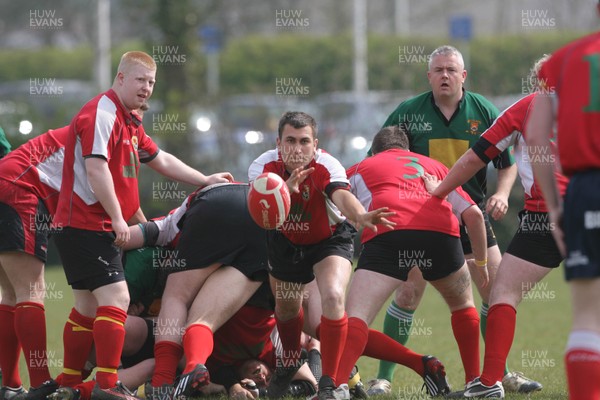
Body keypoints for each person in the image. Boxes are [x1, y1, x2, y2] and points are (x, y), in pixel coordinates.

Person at [51, 51, 232, 400]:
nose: (146, 88)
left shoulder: (130, 120)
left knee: (87, 308)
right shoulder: (102, 112)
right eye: (139, 80)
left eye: (151, 82)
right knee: (117, 298)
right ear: (120, 78)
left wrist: (203, 180)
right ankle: (107, 386)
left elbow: (160, 158)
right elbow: (96, 168)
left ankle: (70, 380)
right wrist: (119, 218)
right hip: (86, 224)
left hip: (83, 226)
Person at [370, 45, 541, 395]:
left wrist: (501, 194)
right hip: (424, 218)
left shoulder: (484, 110)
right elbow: (381, 158)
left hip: (472, 214)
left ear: (464, 76)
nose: (445, 75)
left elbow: (506, 163)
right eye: (438, 70)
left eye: (451, 70)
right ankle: (384, 378)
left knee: (497, 293)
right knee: (407, 294)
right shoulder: (408, 112)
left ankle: (499, 373)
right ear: (428, 76)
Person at [431, 56, 566, 398]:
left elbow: (477, 156)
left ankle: (489, 383)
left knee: (503, 294)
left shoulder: (528, 106)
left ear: (538, 83)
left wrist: (440, 192)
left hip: (544, 217)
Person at [248, 111, 395, 400]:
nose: (297, 149)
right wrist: (284, 192)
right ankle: (289, 362)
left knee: (332, 297)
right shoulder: (262, 167)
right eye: (290, 140)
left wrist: (361, 215)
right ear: (278, 143)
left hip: (329, 240)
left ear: (315, 144)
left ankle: (330, 382)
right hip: (284, 241)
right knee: (287, 309)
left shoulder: (327, 164)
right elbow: (258, 213)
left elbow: (342, 196)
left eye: (304, 141)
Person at [337, 125, 487, 397]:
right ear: (408, 150)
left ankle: (335, 388)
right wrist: (482, 263)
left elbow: (335, 209)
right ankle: (475, 383)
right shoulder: (436, 167)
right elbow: (474, 215)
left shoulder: (362, 166)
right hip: (441, 236)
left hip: (389, 231)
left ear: (376, 150)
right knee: (463, 306)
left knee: (356, 316)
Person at [526, 10, 600, 399]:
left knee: (588, 315)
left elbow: (536, 135)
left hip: (585, 188)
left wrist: (555, 206)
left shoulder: (565, 59)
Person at [0, 127, 69, 400]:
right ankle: (41, 384)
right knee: (29, 292)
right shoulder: (101, 127)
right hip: (13, 192)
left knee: (10, 293)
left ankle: (11, 385)